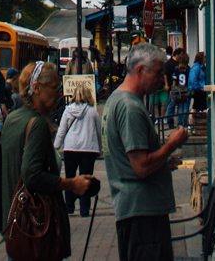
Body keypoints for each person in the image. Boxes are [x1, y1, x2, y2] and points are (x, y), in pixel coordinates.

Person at [102, 43, 188, 261]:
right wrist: (171, 144)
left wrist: (162, 163)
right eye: (158, 73)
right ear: (140, 70)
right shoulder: (130, 108)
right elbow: (140, 166)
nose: (161, 79)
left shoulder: (115, 101)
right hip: (143, 214)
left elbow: (129, 159)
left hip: (135, 211)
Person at [2, 61, 94, 259]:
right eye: (54, 87)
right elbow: (32, 176)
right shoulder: (37, 126)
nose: (59, 93)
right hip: (36, 232)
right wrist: (71, 184)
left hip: (15, 228)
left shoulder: (13, 119)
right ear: (36, 88)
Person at [54, 82, 101, 218]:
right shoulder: (92, 112)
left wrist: (56, 146)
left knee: (70, 177)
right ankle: (84, 210)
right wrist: (99, 147)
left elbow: (61, 130)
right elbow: (98, 131)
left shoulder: (68, 110)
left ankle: (69, 207)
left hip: (71, 147)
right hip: (88, 148)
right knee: (86, 178)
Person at [188, 52, 206, 126]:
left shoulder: (202, 67)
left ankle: (194, 124)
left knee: (199, 107)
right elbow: (193, 79)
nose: (205, 59)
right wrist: (198, 88)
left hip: (201, 90)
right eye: (204, 57)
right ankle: (191, 124)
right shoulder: (196, 67)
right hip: (198, 90)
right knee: (196, 108)